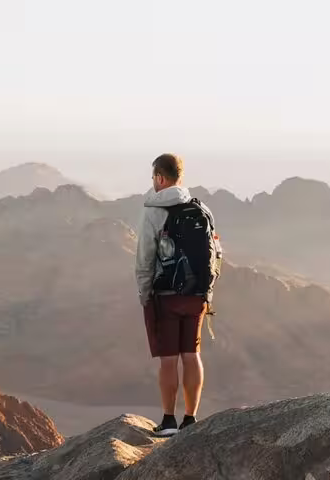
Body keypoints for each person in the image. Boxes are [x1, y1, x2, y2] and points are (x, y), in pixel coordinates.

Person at [135, 153, 221, 437]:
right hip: (196, 295)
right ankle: (191, 419)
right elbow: (216, 252)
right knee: (192, 354)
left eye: (153, 178)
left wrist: (145, 294)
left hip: (167, 296)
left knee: (169, 359)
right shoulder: (201, 208)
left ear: (160, 178)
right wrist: (206, 289)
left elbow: (145, 259)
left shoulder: (153, 211)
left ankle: (169, 421)